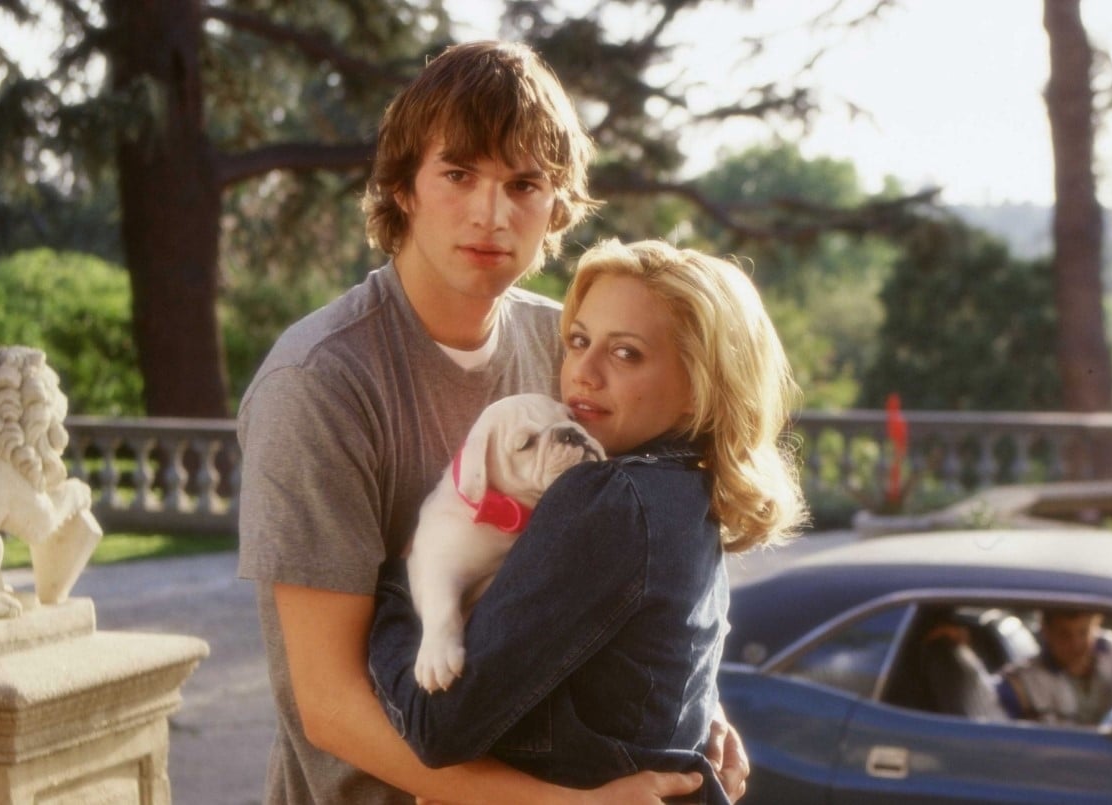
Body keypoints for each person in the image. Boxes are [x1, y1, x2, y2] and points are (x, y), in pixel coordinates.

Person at [237, 41, 750, 803]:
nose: (490, 212)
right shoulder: (318, 384)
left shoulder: (570, 351)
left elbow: (625, 570)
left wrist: (697, 701)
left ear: (556, 206)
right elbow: (329, 706)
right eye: (458, 174)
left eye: (523, 183)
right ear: (404, 187)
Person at [369, 239, 808, 802]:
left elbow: (439, 727)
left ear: (700, 385)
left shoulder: (610, 499)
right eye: (578, 341)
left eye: (626, 353)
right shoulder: (688, 488)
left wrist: (394, 587)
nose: (584, 373)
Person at [998, 607, 1112, 726]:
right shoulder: (1020, 683)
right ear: (1046, 631)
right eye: (1064, 635)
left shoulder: (1111, 658)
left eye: (1083, 632)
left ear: (1096, 626)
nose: (1075, 644)